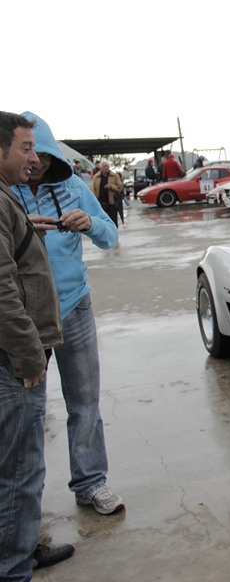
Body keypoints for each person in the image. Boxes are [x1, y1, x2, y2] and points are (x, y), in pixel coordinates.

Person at [14, 112, 124, 517]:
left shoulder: (74, 185)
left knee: (84, 399)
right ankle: (24, 502)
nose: (36, 161)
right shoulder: (7, 192)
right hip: (26, 318)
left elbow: (110, 236)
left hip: (75, 306)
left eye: (41, 152)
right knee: (26, 409)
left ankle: (90, 482)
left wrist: (89, 222)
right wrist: (20, 228)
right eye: (27, 151)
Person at [0, 111, 72, 581]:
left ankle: (21, 547)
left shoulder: (7, 200)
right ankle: (14, 567)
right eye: (25, 148)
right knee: (20, 470)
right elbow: (2, 288)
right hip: (14, 360)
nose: (34, 158)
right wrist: (29, 354)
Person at [91, 161, 123, 229]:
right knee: (102, 220)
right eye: (104, 166)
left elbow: (120, 187)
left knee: (113, 220)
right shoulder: (96, 176)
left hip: (112, 202)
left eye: (107, 166)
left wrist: (111, 186)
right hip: (101, 202)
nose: (106, 168)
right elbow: (93, 189)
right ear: (101, 168)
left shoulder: (115, 176)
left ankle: (114, 233)